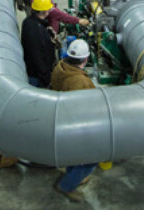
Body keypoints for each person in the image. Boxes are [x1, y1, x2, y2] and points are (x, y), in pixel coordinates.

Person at [51, 39, 98, 202]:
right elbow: (84, 108)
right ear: (86, 59)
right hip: (75, 125)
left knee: (73, 155)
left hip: (61, 118)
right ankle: (67, 185)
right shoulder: (79, 81)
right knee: (91, 158)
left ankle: (73, 175)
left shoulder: (60, 67)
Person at [20, 0, 57, 88]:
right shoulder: (36, 29)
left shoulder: (29, 22)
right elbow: (37, 56)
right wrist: (46, 79)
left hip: (34, 72)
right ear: (44, 11)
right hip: (37, 76)